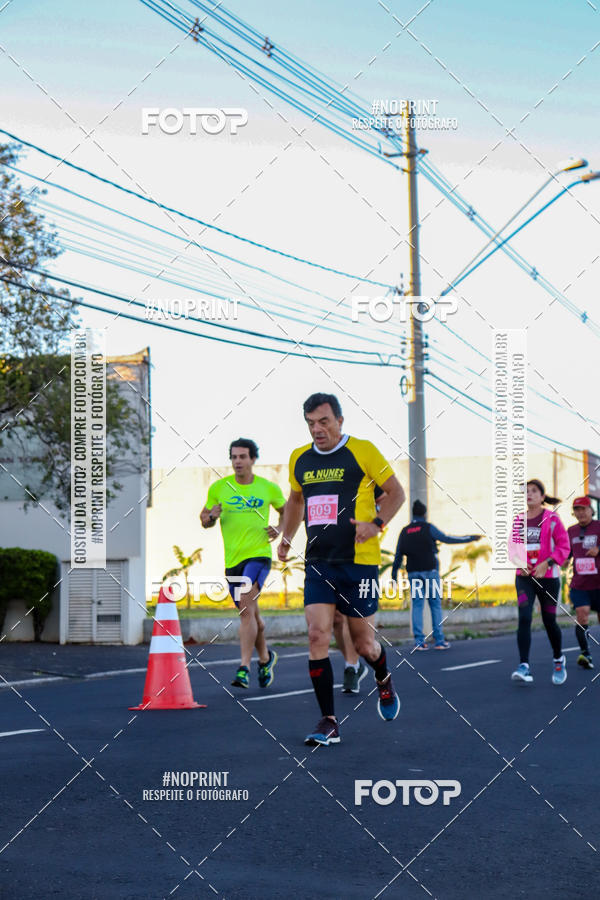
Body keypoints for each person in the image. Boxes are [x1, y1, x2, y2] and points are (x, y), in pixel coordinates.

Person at [278, 392, 405, 745]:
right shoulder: (299, 459)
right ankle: (328, 721)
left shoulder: (362, 450)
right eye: (310, 423)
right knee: (317, 634)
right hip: (319, 562)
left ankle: (382, 678)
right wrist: (287, 537)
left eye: (323, 422)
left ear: (339, 421)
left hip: (359, 563)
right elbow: (295, 500)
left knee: (365, 645)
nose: (317, 430)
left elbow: (396, 493)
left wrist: (376, 523)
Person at [200, 438, 285, 689]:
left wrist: (280, 528)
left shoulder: (268, 488)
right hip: (232, 561)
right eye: (234, 457)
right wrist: (211, 517)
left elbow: (289, 510)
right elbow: (203, 518)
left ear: (252, 459)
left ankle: (244, 668)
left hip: (258, 556)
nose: (238, 461)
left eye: (242, 457)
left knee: (246, 610)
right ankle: (266, 658)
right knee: (251, 617)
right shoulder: (219, 488)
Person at [391, 499, 481, 650]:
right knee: (435, 605)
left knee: (417, 606)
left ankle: (419, 642)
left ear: (413, 513)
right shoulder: (428, 528)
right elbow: (447, 539)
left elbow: (398, 555)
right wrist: (470, 538)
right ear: (425, 514)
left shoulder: (404, 531)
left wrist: (393, 576)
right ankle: (439, 641)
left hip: (413, 573)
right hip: (430, 571)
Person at [508, 479, 570, 685]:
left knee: (549, 620)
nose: (529, 494)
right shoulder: (518, 520)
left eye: (534, 491)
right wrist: (520, 562)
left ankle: (558, 659)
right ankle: (523, 666)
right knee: (524, 616)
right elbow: (512, 548)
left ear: (542, 496)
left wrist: (548, 562)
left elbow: (564, 546)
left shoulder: (552, 519)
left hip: (549, 578)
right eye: (526, 491)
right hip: (524, 577)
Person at [567, 496, 600, 669]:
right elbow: (566, 552)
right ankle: (585, 654)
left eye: (583, 509)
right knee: (582, 614)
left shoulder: (599, 527)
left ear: (591, 510)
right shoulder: (571, 531)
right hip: (580, 584)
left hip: (599, 583)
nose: (580, 513)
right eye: (577, 509)